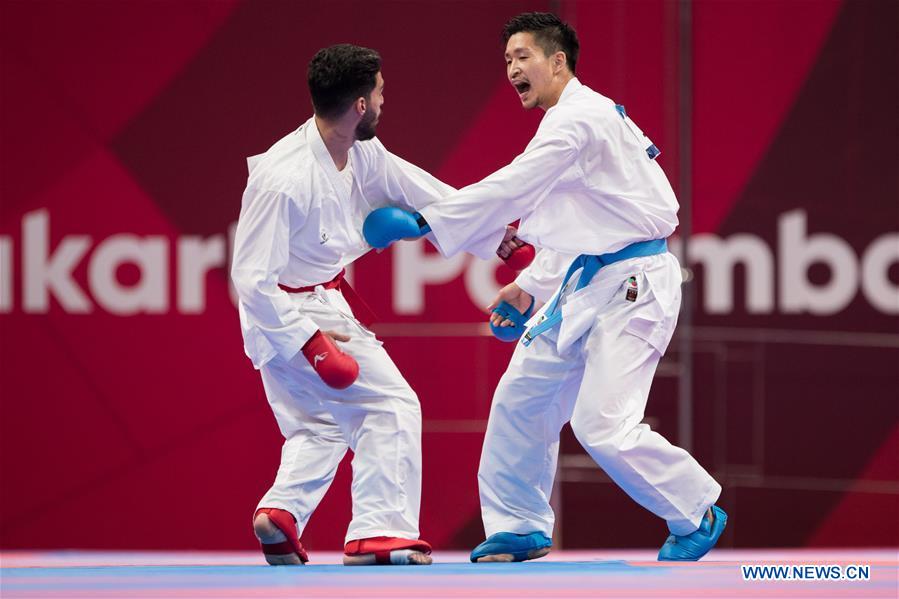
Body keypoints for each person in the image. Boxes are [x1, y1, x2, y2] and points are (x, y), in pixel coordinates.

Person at [363, 12, 726, 563]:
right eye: (507, 60)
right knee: (520, 399)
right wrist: (529, 286)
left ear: (558, 62)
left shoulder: (577, 120)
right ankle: (519, 525)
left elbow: (516, 186)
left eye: (523, 57)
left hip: (635, 287)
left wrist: (429, 222)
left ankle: (695, 509)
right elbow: (577, 216)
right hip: (587, 280)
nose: (512, 69)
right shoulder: (571, 121)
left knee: (601, 424)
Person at [230, 44, 456, 566]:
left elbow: (421, 189)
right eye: (379, 93)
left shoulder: (360, 150)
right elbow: (251, 279)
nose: (383, 102)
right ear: (360, 103)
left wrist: (496, 233)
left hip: (316, 303)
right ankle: (379, 532)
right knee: (391, 405)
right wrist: (311, 345)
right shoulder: (282, 178)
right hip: (290, 314)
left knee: (319, 427)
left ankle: (281, 515)